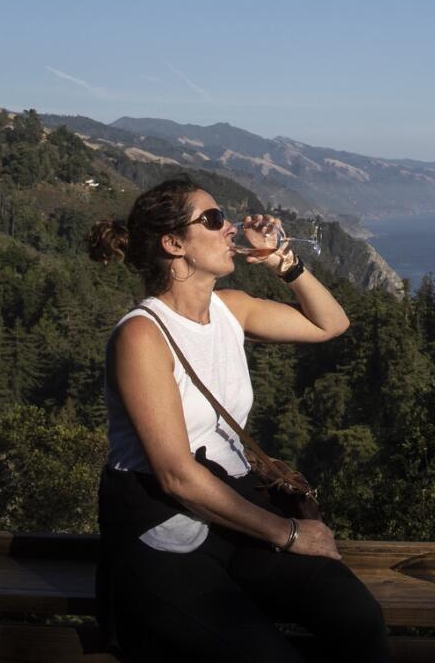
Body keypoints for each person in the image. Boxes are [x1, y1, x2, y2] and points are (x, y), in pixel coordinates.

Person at [87, 176, 390, 662]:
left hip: (233, 505)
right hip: (164, 529)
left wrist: (282, 263)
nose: (230, 228)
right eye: (212, 219)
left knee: (359, 619)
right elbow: (176, 475)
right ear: (174, 244)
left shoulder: (231, 309)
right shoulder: (142, 337)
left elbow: (330, 324)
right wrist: (290, 535)